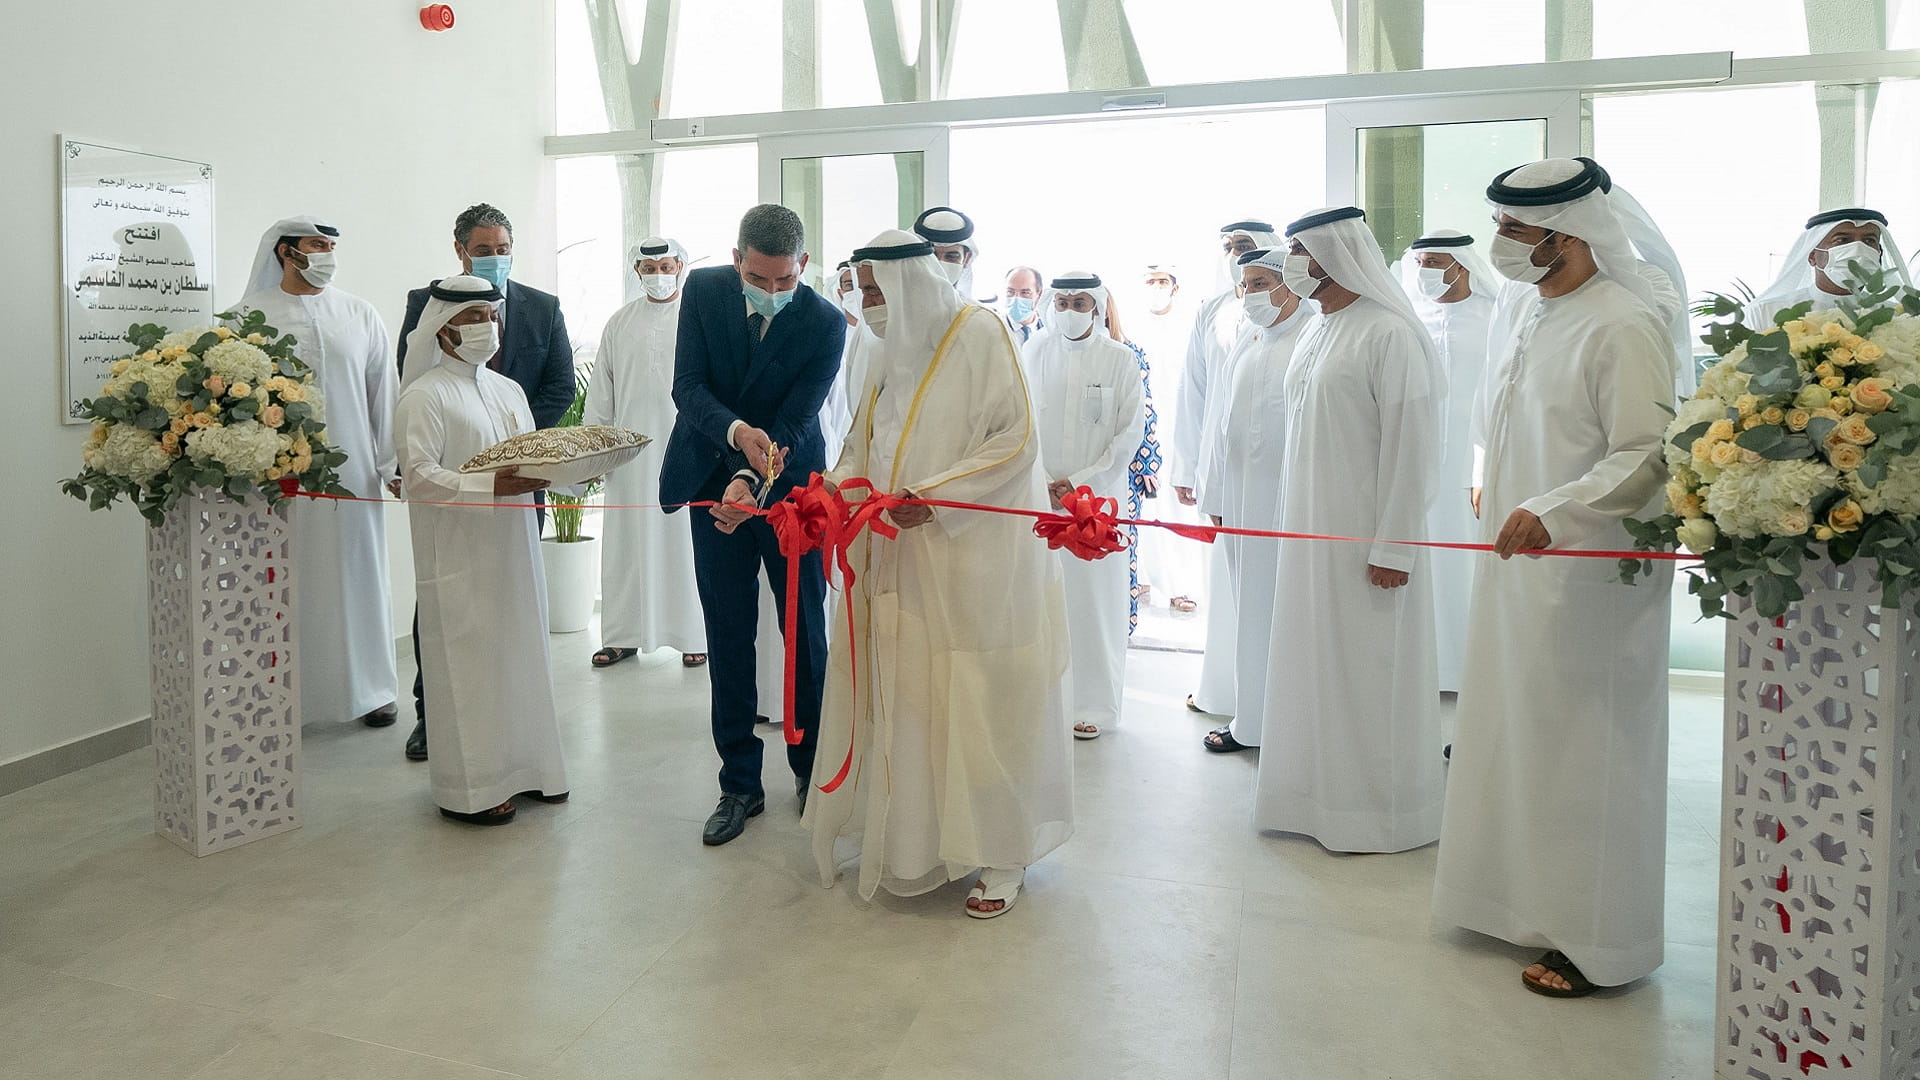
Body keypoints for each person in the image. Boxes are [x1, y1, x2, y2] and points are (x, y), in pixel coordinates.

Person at [1432, 157, 1677, 998]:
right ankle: (1516, 902)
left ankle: (1596, 935)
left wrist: (1556, 508)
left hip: (1585, 576)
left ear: (1568, 233)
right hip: (1517, 569)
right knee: (1516, 733)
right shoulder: (1524, 310)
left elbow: (1646, 454)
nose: (1498, 242)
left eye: (1513, 229)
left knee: (1585, 752)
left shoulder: (1620, 321)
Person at [805, 229, 1072, 918]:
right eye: (860, 292)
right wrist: (832, 492)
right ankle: (920, 842)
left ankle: (1004, 854)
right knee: (912, 696)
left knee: (979, 701)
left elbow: (1016, 439)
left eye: (876, 291)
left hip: (971, 558)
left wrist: (940, 496)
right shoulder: (883, 349)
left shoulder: (982, 333)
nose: (867, 305)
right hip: (893, 553)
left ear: (910, 284)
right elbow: (863, 439)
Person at [659, 204, 841, 847]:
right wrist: (737, 441)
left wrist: (754, 476)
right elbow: (689, 386)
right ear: (737, 261)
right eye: (758, 280)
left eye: (783, 282)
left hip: (790, 490)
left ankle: (811, 772)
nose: (770, 293)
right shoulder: (705, 292)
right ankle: (739, 784)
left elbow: (796, 418)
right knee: (728, 635)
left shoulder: (824, 323)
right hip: (713, 482)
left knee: (806, 636)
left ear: (804, 267)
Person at [394, 202, 576, 762]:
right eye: (483, 249)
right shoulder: (427, 313)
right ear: (460, 250)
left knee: (516, 599)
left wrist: (518, 452)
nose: (494, 258)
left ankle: (520, 725)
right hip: (455, 500)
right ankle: (436, 716)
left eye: (502, 248)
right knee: (452, 611)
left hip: (522, 483)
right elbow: (415, 380)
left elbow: (560, 386)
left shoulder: (542, 309)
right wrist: (484, 470)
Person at [233, 216, 399, 731]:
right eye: (316, 244)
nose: (327, 253)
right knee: (284, 579)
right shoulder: (246, 318)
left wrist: (392, 463)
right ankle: (283, 692)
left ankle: (373, 690)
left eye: (331, 245)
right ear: (286, 252)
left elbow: (383, 394)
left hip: (353, 475)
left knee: (357, 576)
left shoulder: (359, 313)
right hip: (280, 479)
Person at [1023, 272, 1145, 740]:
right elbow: (1020, 422)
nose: (1070, 310)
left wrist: (1079, 482)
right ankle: (1042, 700)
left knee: (1095, 607)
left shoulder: (1120, 360)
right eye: (1063, 301)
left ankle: (1094, 703)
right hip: (1036, 502)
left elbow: (1128, 432)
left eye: (1080, 302)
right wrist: (1040, 482)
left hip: (1095, 503)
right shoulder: (1033, 352)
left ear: (1096, 307)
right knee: (1041, 601)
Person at [1197, 249, 1309, 755]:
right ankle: (1252, 723)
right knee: (1250, 613)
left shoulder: (1312, 336)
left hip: (1293, 508)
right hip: (1243, 506)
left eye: (1261, 282)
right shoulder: (1248, 338)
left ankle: (1291, 730)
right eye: (1246, 285)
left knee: (1289, 616)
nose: (1251, 295)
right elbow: (1225, 424)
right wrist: (1216, 493)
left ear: (1289, 284)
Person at [582, 237, 710, 670]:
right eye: (649, 268)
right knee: (626, 546)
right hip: (630, 458)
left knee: (687, 543)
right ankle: (621, 635)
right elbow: (601, 394)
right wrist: (593, 453)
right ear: (636, 272)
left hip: (689, 450)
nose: (658, 275)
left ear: (682, 266)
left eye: (666, 266)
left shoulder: (699, 320)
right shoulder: (619, 323)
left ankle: (694, 634)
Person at [1178, 219, 1278, 717]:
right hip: (1220, 469)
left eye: (1246, 246)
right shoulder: (1213, 310)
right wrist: (1187, 467)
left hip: (1267, 473)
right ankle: (1221, 689)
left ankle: (1262, 700)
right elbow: (1195, 392)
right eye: (1230, 246)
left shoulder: (1289, 306)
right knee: (1221, 583)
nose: (1235, 253)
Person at [1398, 229, 1497, 694]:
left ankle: (1463, 672)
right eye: (1420, 263)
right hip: (1417, 467)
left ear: (1463, 265)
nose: (1426, 273)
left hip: (1470, 472)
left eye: (1436, 263)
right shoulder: (1410, 320)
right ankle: (1421, 669)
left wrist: (1486, 467)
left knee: (1464, 571)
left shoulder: (1491, 317)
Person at [1130, 263, 1205, 616]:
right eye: (1150, 281)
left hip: (1179, 434)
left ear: (1175, 287)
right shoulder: (1131, 327)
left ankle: (1180, 586)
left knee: (1177, 508)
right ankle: (1141, 576)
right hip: (1142, 435)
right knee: (1143, 506)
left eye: (1163, 281)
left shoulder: (1190, 326)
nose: (1156, 287)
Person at [1744, 208, 1913, 328]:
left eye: (1869, 241)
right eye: (1842, 240)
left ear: (1879, 254)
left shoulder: (1898, 317)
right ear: (1812, 256)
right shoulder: (1765, 313)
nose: (1858, 249)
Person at [913, 206, 981, 298]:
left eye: (951, 257)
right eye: (932, 256)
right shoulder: (893, 309)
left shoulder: (974, 312)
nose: (940, 264)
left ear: (966, 259)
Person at [1002, 266, 1047, 346]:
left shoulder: (1049, 331)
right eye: (1010, 291)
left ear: (1039, 295)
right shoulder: (993, 328)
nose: (1016, 298)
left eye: (1025, 292)